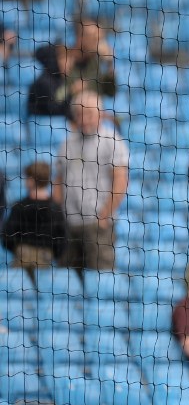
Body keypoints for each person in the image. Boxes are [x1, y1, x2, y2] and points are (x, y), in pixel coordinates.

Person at [53, 90, 129, 271]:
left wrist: (103, 216)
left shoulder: (112, 140)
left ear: (100, 114)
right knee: (67, 281)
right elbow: (58, 181)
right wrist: (57, 215)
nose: (84, 119)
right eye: (79, 114)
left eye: (89, 113)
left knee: (101, 277)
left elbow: (121, 181)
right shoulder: (66, 143)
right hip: (69, 224)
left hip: (97, 226)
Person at [1, 162, 67, 269]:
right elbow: (62, 239)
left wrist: (19, 249)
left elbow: (7, 236)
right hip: (45, 259)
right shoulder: (55, 208)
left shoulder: (19, 207)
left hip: (22, 258)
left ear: (31, 180)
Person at [28, 44, 81, 117]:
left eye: (70, 58)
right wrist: (71, 93)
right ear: (54, 61)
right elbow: (53, 109)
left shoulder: (61, 80)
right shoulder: (43, 83)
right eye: (64, 58)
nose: (69, 63)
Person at [69, 16, 116, 98]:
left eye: (101, 39)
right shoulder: (64, 61)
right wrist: (71, 91)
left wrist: (109, 65)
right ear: (80, 38)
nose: (101, 43)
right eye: (95, 39)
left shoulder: (95, 62)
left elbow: (110, 93)